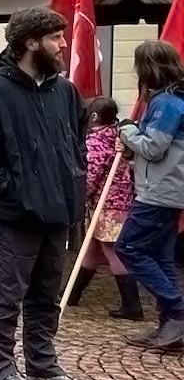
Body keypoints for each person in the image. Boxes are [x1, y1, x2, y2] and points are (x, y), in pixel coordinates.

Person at [0, 7, 88, 380]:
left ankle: (43, 366)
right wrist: (18, 193)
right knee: (6, 298)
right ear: (31, 43)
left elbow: (77, 145)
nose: (63, 44)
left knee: (46, 296)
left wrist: (73, 186)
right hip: (15, 218)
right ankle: (1, 371)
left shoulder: (65, 92)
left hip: (58, 217)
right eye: (56, 38)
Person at [116, 40, 184, 351]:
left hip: (159, 193)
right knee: (161, 257)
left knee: (128, 248)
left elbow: (153, 148)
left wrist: (126, 129)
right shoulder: (172, 100)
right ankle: (170, 326)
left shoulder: (167, 103)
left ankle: (178, 313)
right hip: (169, 190)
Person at [64, 97, 141, 319]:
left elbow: (92, 175)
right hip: (115, 201)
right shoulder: (115, 135)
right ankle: (72, 294)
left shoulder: (97, 141)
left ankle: (132, 304)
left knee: (112, 250)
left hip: (109, 204)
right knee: (92, 249)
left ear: (94, 117)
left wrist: (79, 199)